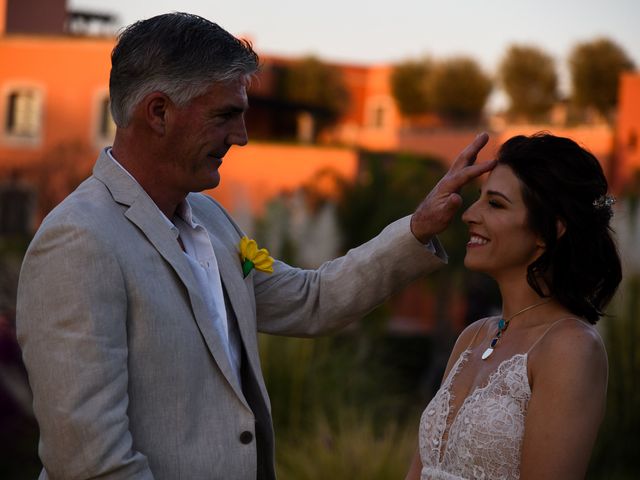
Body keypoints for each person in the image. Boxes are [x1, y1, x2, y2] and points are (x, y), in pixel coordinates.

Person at [16, 12, 494, 480]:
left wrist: (418, 228)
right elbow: (88, 462)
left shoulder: (209, 219)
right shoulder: (79, 240)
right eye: (226, 115)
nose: (241, 137)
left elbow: (312, 301)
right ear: (158, 112)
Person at [405, 132, 623, 480]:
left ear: (547, 230)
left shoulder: (569, 347)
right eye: (479, 199)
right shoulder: (473, 336)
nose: (468, 215)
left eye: (495, 204)